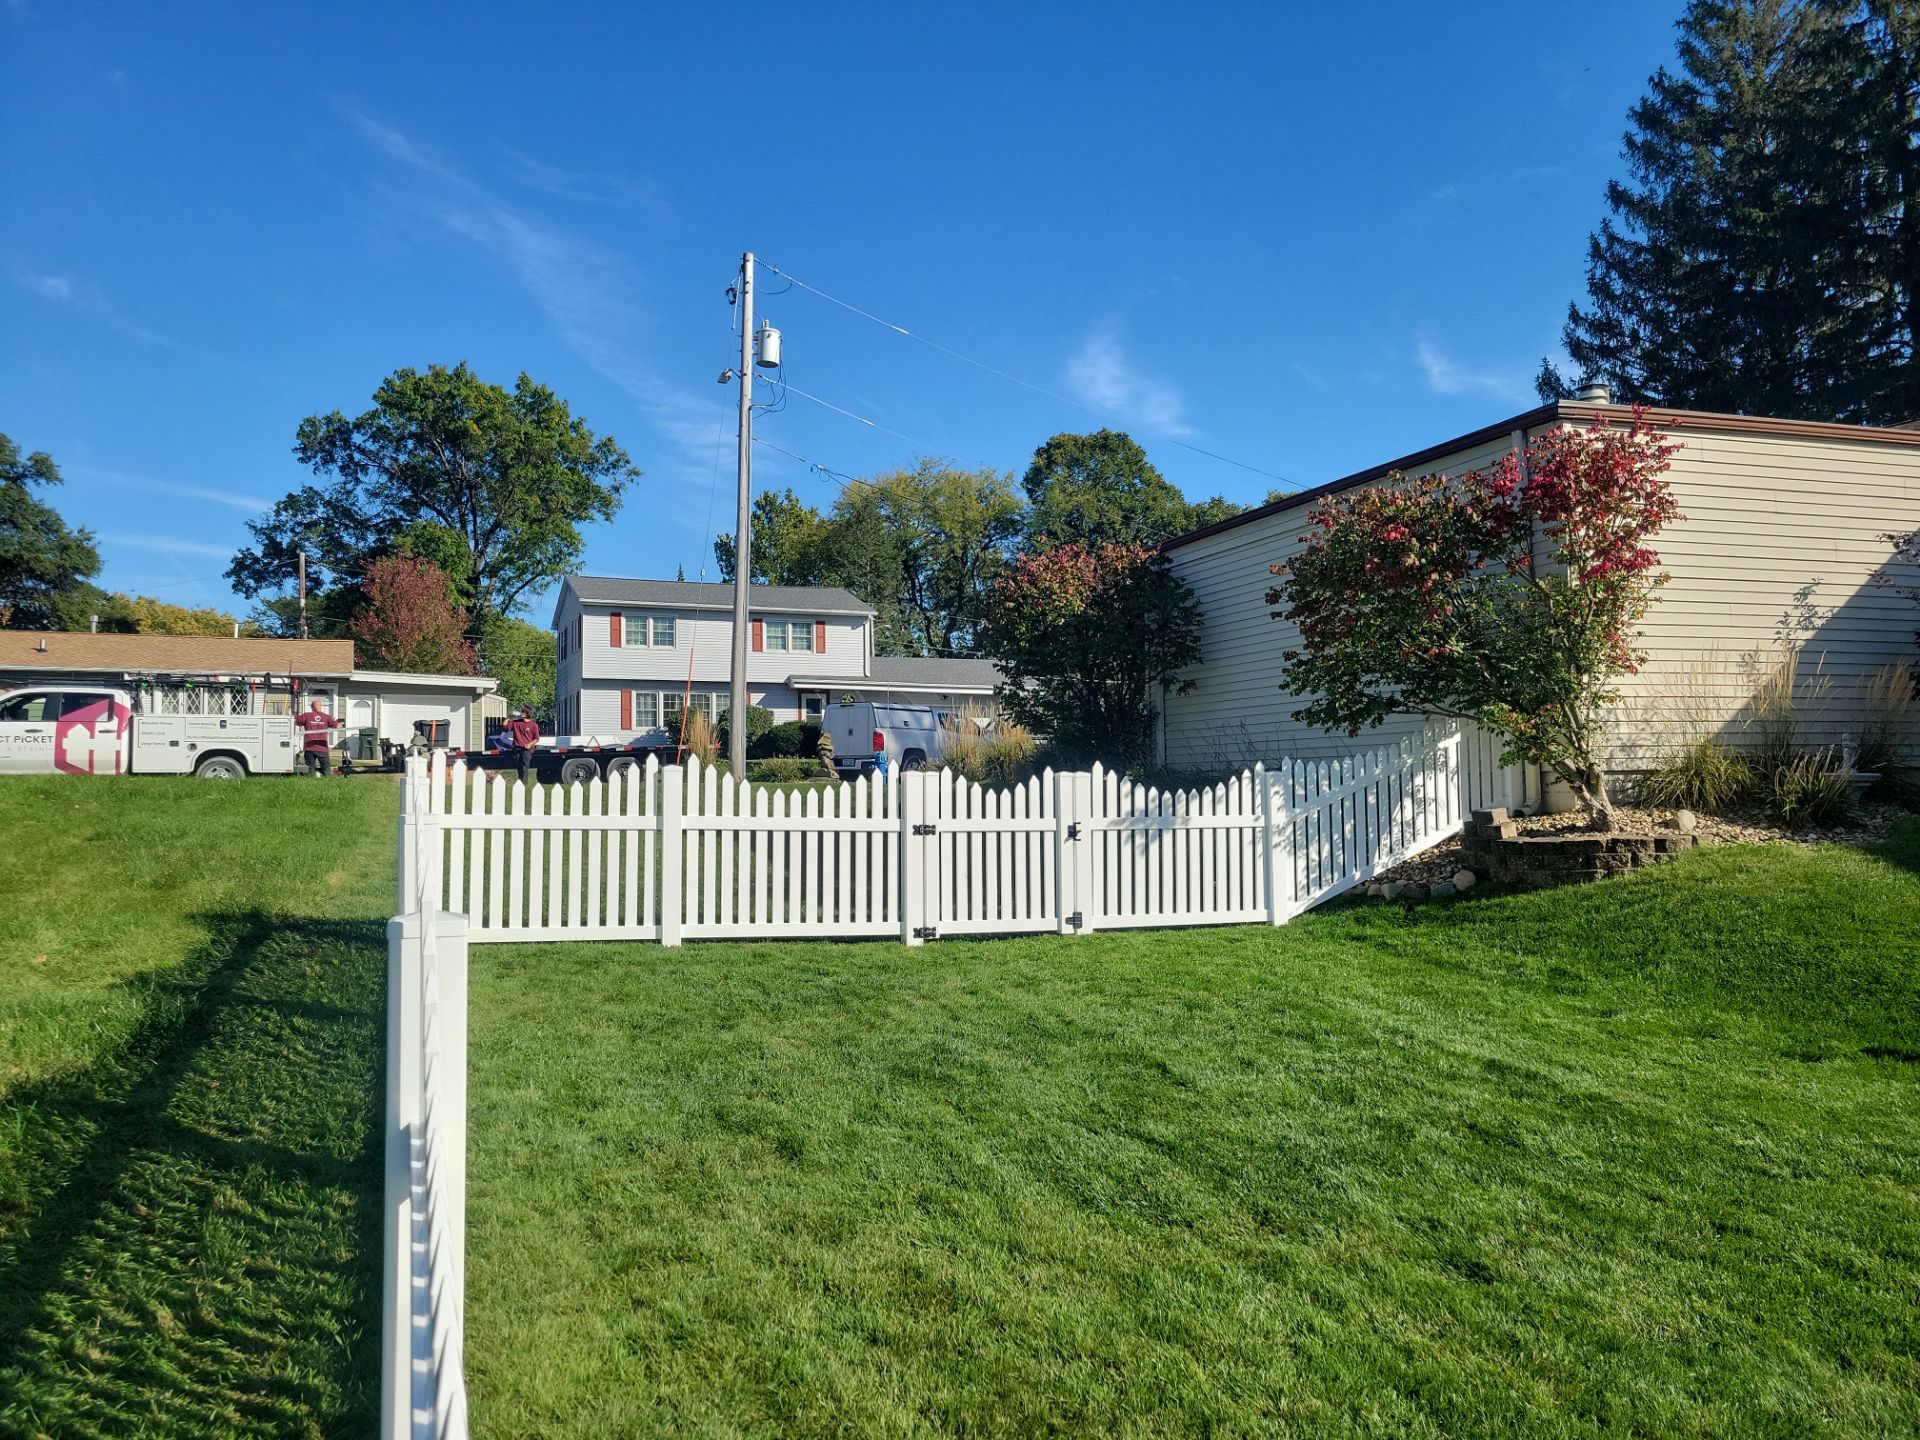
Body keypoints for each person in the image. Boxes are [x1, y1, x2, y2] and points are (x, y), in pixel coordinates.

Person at [294, 697, 342, 777]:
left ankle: (311, 781)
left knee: (310, 769)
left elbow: (297, 721)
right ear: (320, 707)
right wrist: (340, 724)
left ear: (312, 707)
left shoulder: (306, 715)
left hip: (310, 747)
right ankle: (328, 781)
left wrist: (296, 715)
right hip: (322, 748)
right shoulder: (326, 717)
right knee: (326, 769)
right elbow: (336, 726)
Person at [505, 705, 542, 783]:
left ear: (528, 713)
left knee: (525, 768)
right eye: (521, 711)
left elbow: (536, 738)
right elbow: (505, 727)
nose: (521, 713)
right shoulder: (515, 723)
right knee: (518, 767)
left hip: (527, 749)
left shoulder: (533, 725)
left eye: (523, 712)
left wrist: (530, 744)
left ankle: (524, 784)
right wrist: (508, 718)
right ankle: (520, 782)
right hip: (517, 748)